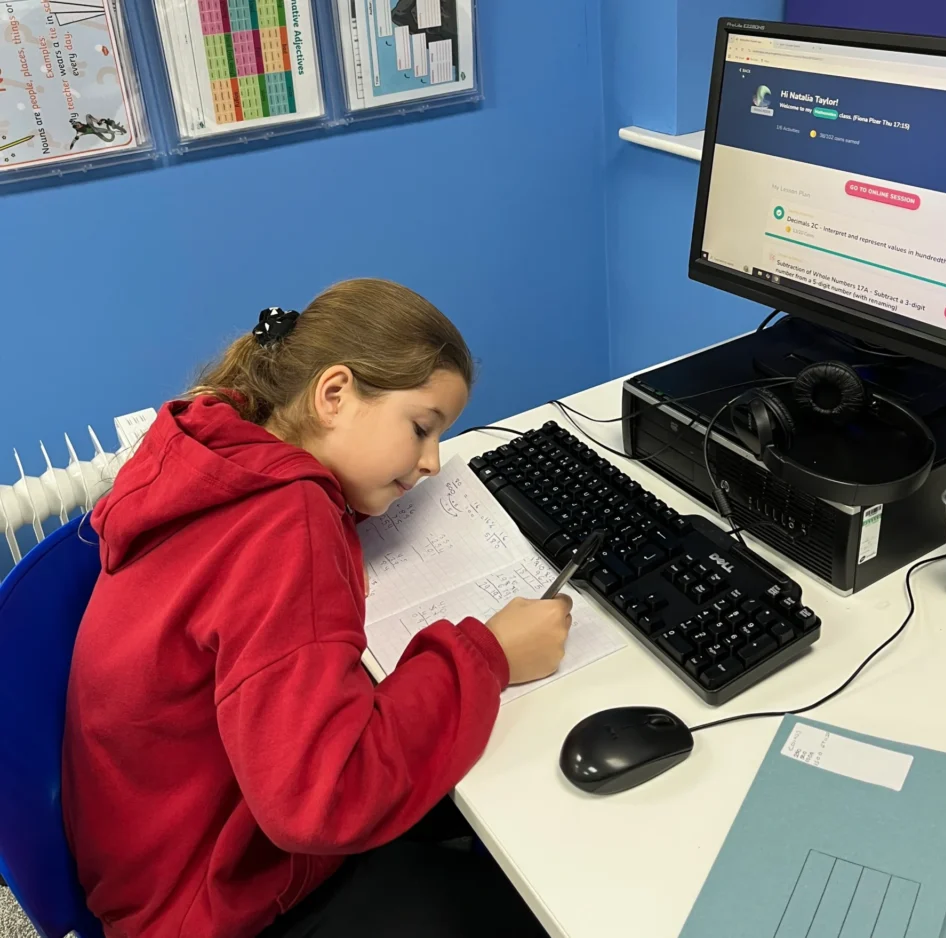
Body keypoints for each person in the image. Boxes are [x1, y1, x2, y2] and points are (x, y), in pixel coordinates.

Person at [62, 279, 572, 938]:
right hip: (206, 904)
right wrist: (490, 656)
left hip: (146, 859)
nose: (431, 463)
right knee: (536, 902)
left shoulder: (220, 443)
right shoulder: (287, 526)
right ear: (333, 395)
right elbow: (323, 800)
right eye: (421, 429)